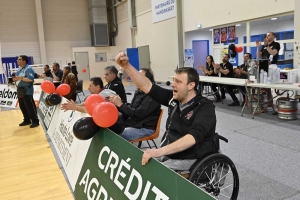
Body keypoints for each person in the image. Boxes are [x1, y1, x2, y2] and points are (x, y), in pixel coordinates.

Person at [115, 52, 217, 171]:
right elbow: (147, 85)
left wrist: (159, 151)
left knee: (153, 173)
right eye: (173, 80)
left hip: (191, 157)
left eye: (178, 82)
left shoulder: (205, 107)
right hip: (170, 153)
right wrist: (127, 66)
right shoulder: (173, 99)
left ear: (191, 85)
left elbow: (192, 137)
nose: (172, 85)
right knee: (138, 166)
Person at [108, 68, 161, 141]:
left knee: (116, 134)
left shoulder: (153, 96)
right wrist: (118, 106)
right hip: (134, 124)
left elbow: (137, 115)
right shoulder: (139, 92)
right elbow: (132, 109)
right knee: (108, 127)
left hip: (144, 128)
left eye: (138, 77)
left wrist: (121, 105)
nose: (135, 79)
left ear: (146, 80)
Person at [13, 55, 39, 128]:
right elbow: (18, 78)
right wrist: (15, 79)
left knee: (29, 106)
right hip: (20, 90)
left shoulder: (28, 69)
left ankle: (35, 121)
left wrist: (20, 78)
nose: (17, 60)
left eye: (19, 59)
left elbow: (31, 79)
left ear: (24, 61)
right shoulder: (19, 69)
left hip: (27, 90)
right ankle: (27, 120)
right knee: (22, 106)